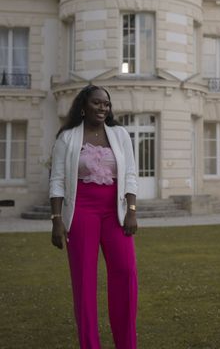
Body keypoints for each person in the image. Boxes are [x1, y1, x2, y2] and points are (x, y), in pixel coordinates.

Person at [49, 85, 138, 349]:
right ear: (83, 106)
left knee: (125, 273)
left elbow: (131, 174)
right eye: (97, 103)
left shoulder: (120, 135)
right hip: (82, 213)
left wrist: (131, 211)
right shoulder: (67, 138)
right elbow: (56, 181)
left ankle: (127, 344)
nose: (103, 108)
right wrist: (57, 220)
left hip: (116, 213)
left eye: (106, 104)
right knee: (84, 282)